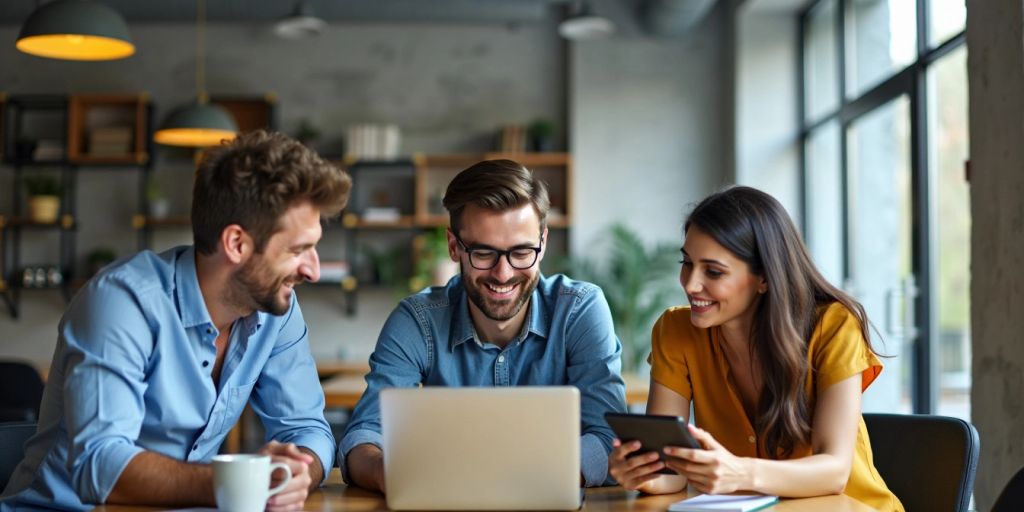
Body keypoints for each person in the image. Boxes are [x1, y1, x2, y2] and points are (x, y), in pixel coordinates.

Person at [0, 130, 351, 511]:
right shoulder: (122, 302)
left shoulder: (275, 311)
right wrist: (241, 483)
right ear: (236, 243)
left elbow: (308, 429)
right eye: (299, 249)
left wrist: (302, 471)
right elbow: (99, 467)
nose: (314, 271)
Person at [608, 186, 903, 511]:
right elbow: (671, 469)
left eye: (714, 271)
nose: (690, 284)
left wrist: (739, 472)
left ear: (764, 277)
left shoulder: (833, 327)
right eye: (687, 262)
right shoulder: (675, 332)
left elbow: (834, 471)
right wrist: (645, 474)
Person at [340, 159, 627, 492]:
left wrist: (519, 479)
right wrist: (385, 472)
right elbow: (363, 436)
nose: (503, 274)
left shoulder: (580, 310)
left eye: (521, 252)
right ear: (453, 247)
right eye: (483, 253)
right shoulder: (418, 321)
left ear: (543, 244)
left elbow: (610, 440)